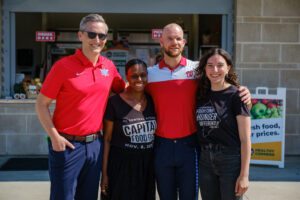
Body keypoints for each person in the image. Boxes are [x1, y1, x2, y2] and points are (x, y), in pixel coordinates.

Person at [146, 23, 251, 200]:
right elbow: (130, 92)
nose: (174, 42)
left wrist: (243, 90)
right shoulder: (149, 74)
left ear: (184, 42)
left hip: (190, 145)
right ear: (161, 42)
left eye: (178, 38)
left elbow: (220, 82)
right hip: (161, 145)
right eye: (169, 39)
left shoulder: (197, 70)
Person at [35, 14, 125, 200]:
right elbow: (41, 104)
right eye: (91, 34)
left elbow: (125, 91)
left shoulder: (108, 67)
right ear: (80, 35)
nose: (97, 40)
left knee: (89, 196)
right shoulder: (62, 66)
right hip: (67, 145)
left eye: (102, 36)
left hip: (95, 145)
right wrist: (54, 137)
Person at [194, 48, 251, 200]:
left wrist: (244, 175)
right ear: (204, 68)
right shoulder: (200, 95)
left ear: (228, 68)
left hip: (230, 161)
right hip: (205, 160)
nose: (215, 70)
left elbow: (245, 139)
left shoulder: (237, 96)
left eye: (220, 65)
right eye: (210, 65)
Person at [101, 58, 157, 200]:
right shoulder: (114, 102)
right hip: (121, 166)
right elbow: (107, 140)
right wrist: (105, 174)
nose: (139, 79)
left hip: (147, 167)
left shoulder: (153, 101)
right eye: (134, 76)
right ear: (126, 76)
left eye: (143, 75)